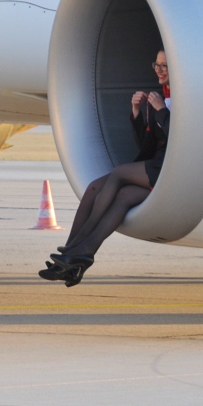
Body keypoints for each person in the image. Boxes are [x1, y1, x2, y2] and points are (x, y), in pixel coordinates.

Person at [39, 49, 170, 287]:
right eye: (156, 65)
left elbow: (181, 137)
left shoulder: (181, 98)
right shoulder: (158, 97)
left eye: (165, 66)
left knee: (120, 173)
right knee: (100, 191)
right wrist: (137, 112)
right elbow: (147, 143)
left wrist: (161, 110)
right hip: (154, 165)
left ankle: (77, 246)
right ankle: (74, 259)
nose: (159, 70)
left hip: (171, 170)